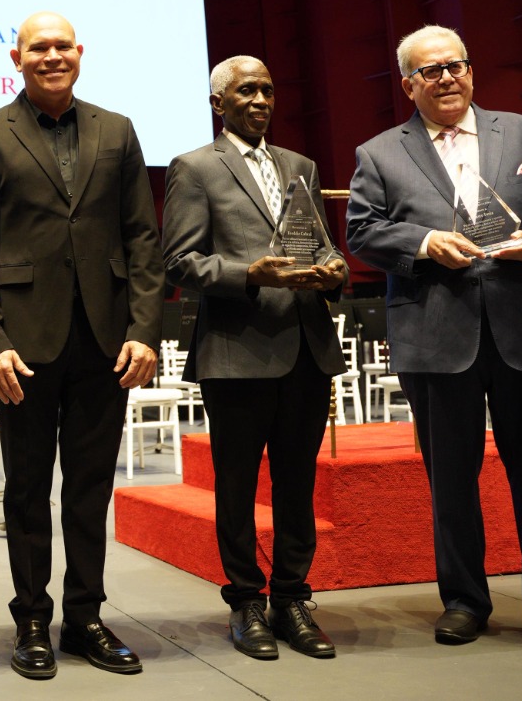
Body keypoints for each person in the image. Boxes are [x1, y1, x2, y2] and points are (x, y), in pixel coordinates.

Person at [345, 25, 522, 655]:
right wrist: (422, 243)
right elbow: (362, 230)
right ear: (408, 83)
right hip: (437, 334)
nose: (447, 78)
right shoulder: (380, 152)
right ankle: (465, 600)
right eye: (431, 70)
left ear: (471, 71)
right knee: (452, 478)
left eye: (456, 66)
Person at [0, 11, 163, 680]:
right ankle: (33, 620)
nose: (51, 56)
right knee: (24, 491)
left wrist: (142, 329)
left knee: (90, 488)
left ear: (80, 53)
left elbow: (143, 240)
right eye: (37, 48)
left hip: (105, 340)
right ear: (16, 57)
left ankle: (86, 618)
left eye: (61, 46)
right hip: (23, 344)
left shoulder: (117, 129)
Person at [160, 55, 346, 661]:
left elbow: (318, 242)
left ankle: (292, 598)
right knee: (237, 487)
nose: (260, 99)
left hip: (306, 348)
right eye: (246, 91)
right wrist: (249, 273)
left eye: (267, 88)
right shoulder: (194, 168)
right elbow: (180, 261)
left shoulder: (301, 166)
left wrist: (335, 268)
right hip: (237, 351)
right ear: (220, 103)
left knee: (298, 484)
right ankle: (245, 602)